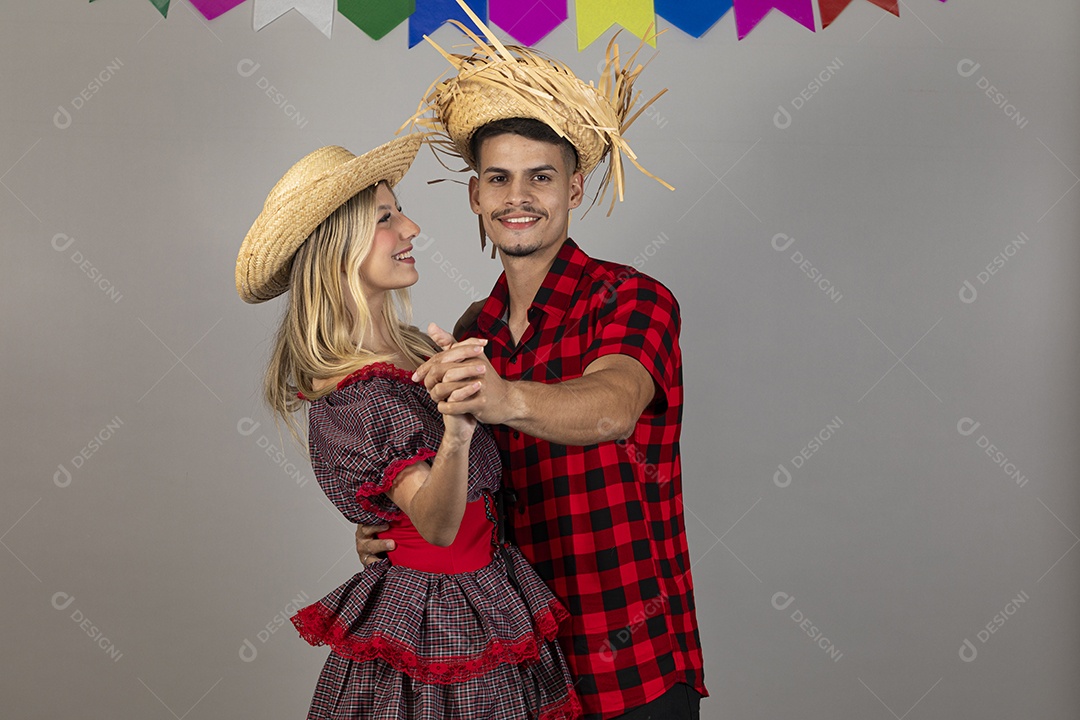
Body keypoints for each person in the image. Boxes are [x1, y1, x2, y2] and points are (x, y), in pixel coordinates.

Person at [357, 10, 708, 719]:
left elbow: (611, 405)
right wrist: (405, 520)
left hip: (629, 664)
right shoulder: (470, 332)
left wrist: (503, 396)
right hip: (510, 667)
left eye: (541, 178)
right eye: (500, 179)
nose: (519, 197)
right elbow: (457, 487)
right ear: (476, 197)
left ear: (574, 189)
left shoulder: (632, 298)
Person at [236, 134, 581, 720]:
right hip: (435, 615)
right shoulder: (354, 394)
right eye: (386, 218)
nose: (412, 228)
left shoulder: (418, 351)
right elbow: (438, 528)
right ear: (339, 249)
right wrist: (456, 429)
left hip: (487, 591)